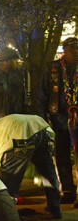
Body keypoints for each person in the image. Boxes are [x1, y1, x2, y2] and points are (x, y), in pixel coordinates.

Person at [0, 114, 62, 219]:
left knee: (8, 177)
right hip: (44, 128)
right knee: (47, 172)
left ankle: (6, 214)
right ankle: (55, 208)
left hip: (21, 134)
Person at [37, 37, 78, 205]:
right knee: (61, 156)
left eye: (77, 49)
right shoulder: (53, 69)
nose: (76, 53)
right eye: (72, 50)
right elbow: (43, 94)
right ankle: (68, 190)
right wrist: (42, 121)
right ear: (64, 51)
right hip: (59, 119)